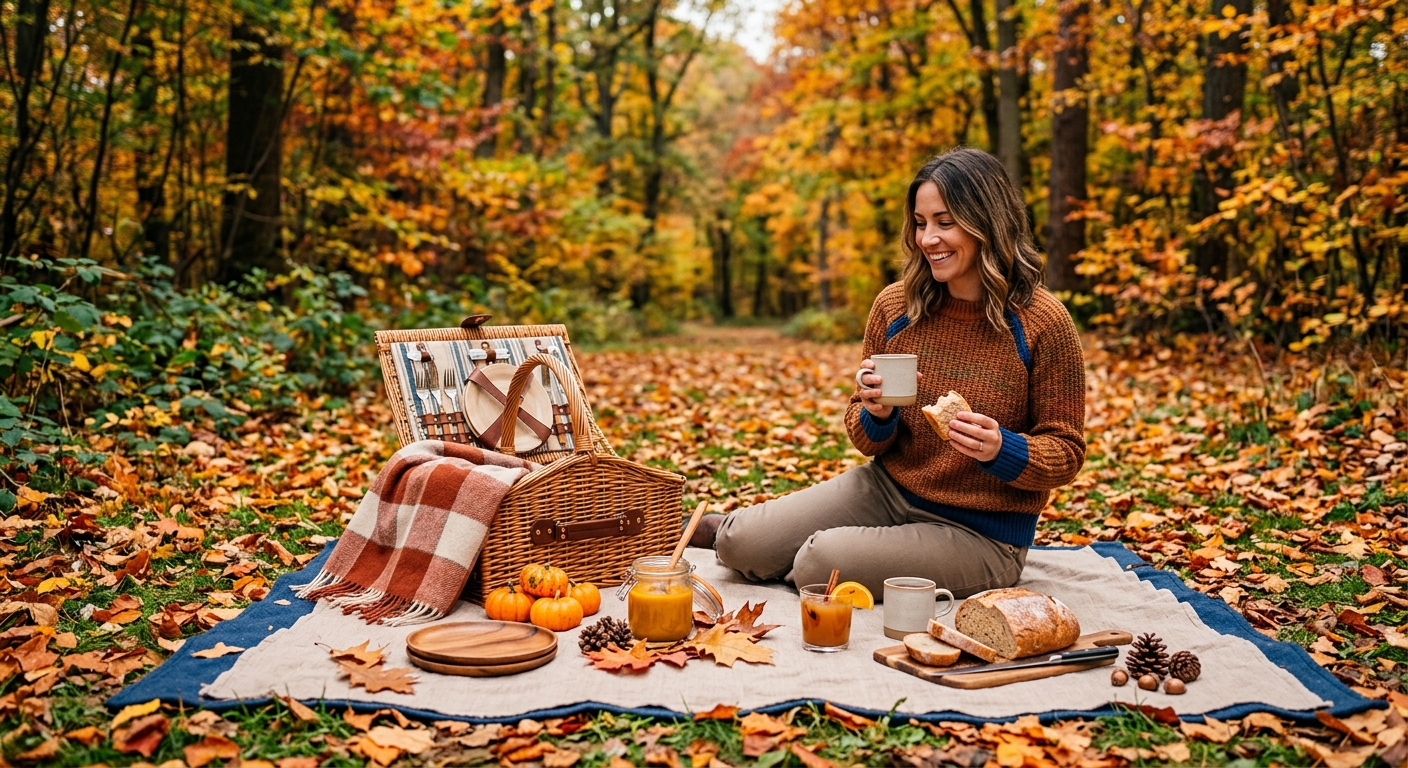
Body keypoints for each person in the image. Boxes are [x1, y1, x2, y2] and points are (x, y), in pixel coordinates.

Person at [694, 148, 1087, 598]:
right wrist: (875, 414)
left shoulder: (1042, 322)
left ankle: (812, 556)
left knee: (819, 563)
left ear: (987, 222)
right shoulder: (897, 306)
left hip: (982, 534)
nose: (928, 239)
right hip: (886, 490)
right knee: (743, 544)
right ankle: (737, 530)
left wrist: (1003, 449)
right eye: (920, 224)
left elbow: (1067, 450)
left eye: (945, 221)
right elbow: (862, 436)